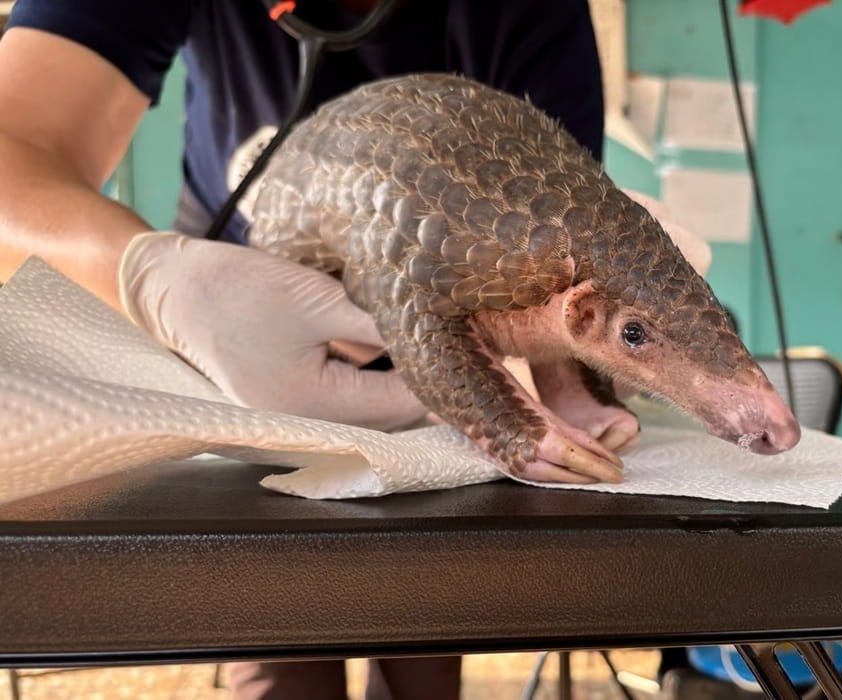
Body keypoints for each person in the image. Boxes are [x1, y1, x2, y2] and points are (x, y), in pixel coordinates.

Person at [0, 1, 608, 698]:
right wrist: (148, 274)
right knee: (277, 634)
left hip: (446, 381)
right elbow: (11, 156)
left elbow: (565, 239)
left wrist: (565, 383)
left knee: (428, 633)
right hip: (228, 347)